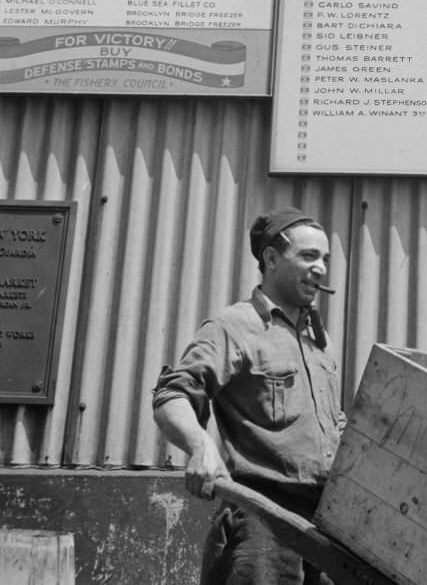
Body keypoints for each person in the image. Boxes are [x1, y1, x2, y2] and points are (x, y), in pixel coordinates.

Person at [153, 206, 343, 585]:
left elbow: (333, 424)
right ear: (271, 259)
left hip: (327, 527)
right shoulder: (234, 327)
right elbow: (173, 393)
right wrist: (200, 445)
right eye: (308, 256)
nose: (320, 267)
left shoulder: (320, 342)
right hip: (263, 521)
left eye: (324, 258)